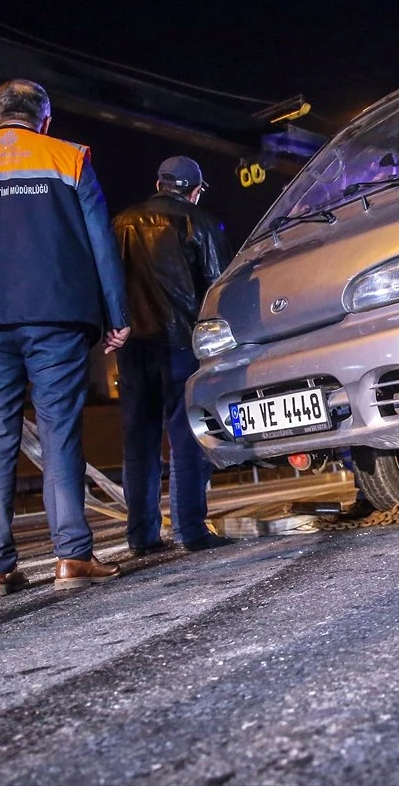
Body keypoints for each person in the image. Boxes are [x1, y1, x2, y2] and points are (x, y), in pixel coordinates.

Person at [0, 79, 131, 596]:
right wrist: (116, 314)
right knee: (58, 433)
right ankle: (71, 558)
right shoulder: (68, 157)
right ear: (44, 120)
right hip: (56, 318)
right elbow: (100, 242)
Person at [112, 156, 236, 555]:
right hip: (182, 344)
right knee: (187, 439)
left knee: (139, 442)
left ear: (159, 183)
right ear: (195, 190)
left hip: (132, 346)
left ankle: (142, 537)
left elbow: (107, 278)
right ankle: (189, 530)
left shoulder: (121, 223)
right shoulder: (200, 223)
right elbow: (218, 287)